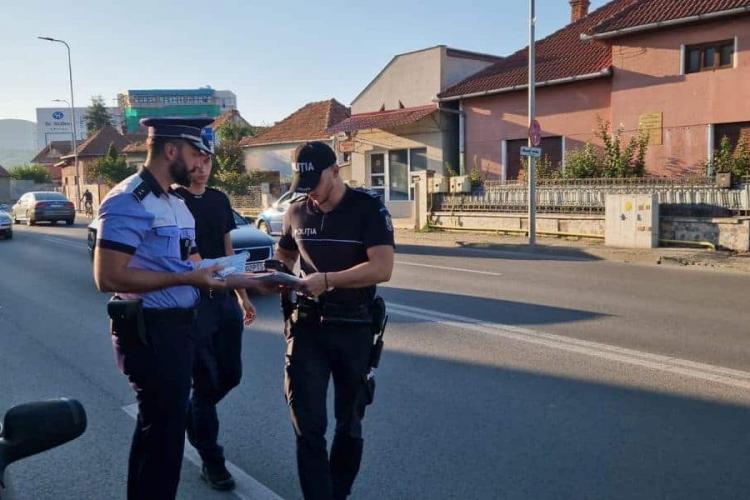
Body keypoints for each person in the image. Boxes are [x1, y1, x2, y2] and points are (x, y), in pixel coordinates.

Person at [93, 117, 256, 500]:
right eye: (196, 154)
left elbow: (193, 265)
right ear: (171, 151)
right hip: (150, 331)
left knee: (162, 435)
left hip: (180, 328)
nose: (201, 163)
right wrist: (187, 279)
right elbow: (109, 276)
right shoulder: (128, 200)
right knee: (162, 439)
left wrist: (249, 279)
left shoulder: (176, 204)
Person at [273, 141, 395, 500]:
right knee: (307, 426)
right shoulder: (296, 211)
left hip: (353, 327)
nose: (310, 192)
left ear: (335, 171)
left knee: (349, 424)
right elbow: (285, 254)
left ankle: (337, 493)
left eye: (316, 183)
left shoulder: (367, 209)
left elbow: (382, 267)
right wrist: (273, 273)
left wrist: (327, 280)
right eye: (304, 184)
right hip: (308, 328)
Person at [174, 152, 256, 491]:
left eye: (207, 162)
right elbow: (184, 252)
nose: (201, 169)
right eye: (195, 162)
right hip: (193, 301)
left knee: (231, 375)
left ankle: (192, 412)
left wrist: (242, 294)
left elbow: (227, 247)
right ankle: (212, 460)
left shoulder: (219, 199)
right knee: (206, 382)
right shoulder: (174, 200)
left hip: (223, 297)